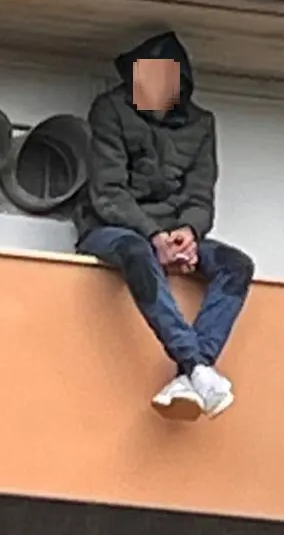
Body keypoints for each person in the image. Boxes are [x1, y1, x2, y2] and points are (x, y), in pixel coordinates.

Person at [74, 31, 254, 421]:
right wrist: (153, 235)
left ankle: (190, 377)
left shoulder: (202, 124)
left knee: (237, 265)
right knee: (137, 251)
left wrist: (189, 233)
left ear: (180, 84)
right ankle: (196, 365)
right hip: (110, 229)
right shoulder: (110, 109)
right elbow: (108, 192)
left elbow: (200, 195)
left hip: (173, 233)